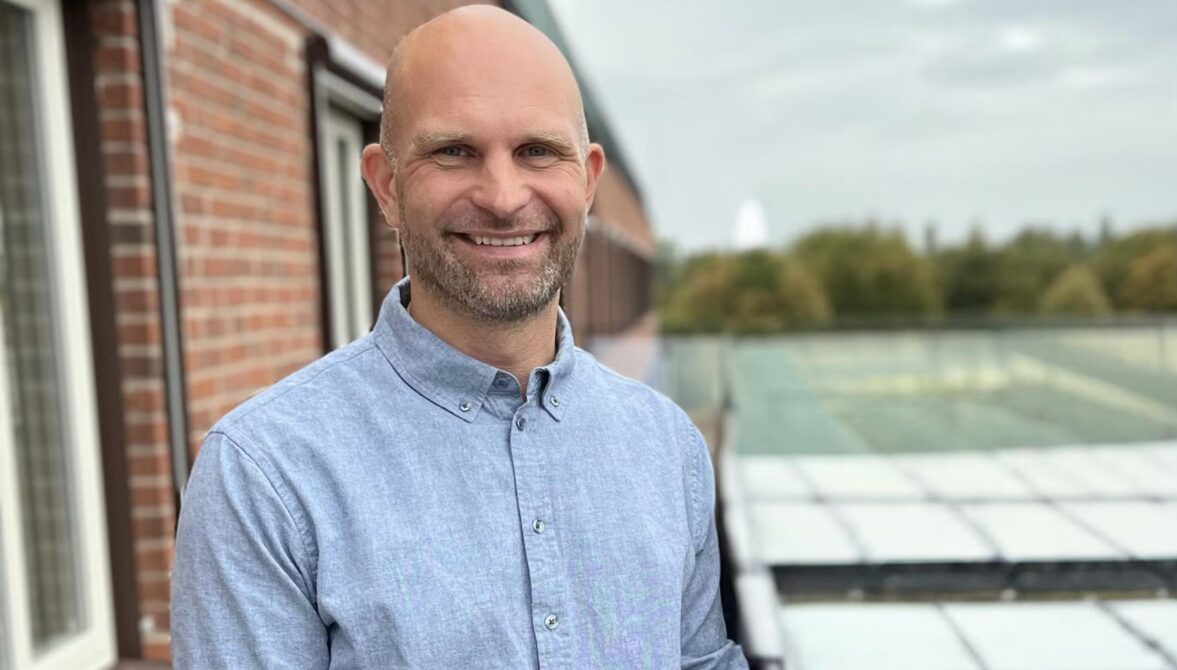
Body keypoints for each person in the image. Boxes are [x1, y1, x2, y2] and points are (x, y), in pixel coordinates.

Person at [171, 6, 748, 669]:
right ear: (386, 186)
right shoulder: (264, 477)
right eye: (454, 152)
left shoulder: (668, 447)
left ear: (588, 182)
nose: (503, 197)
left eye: (537, 151)